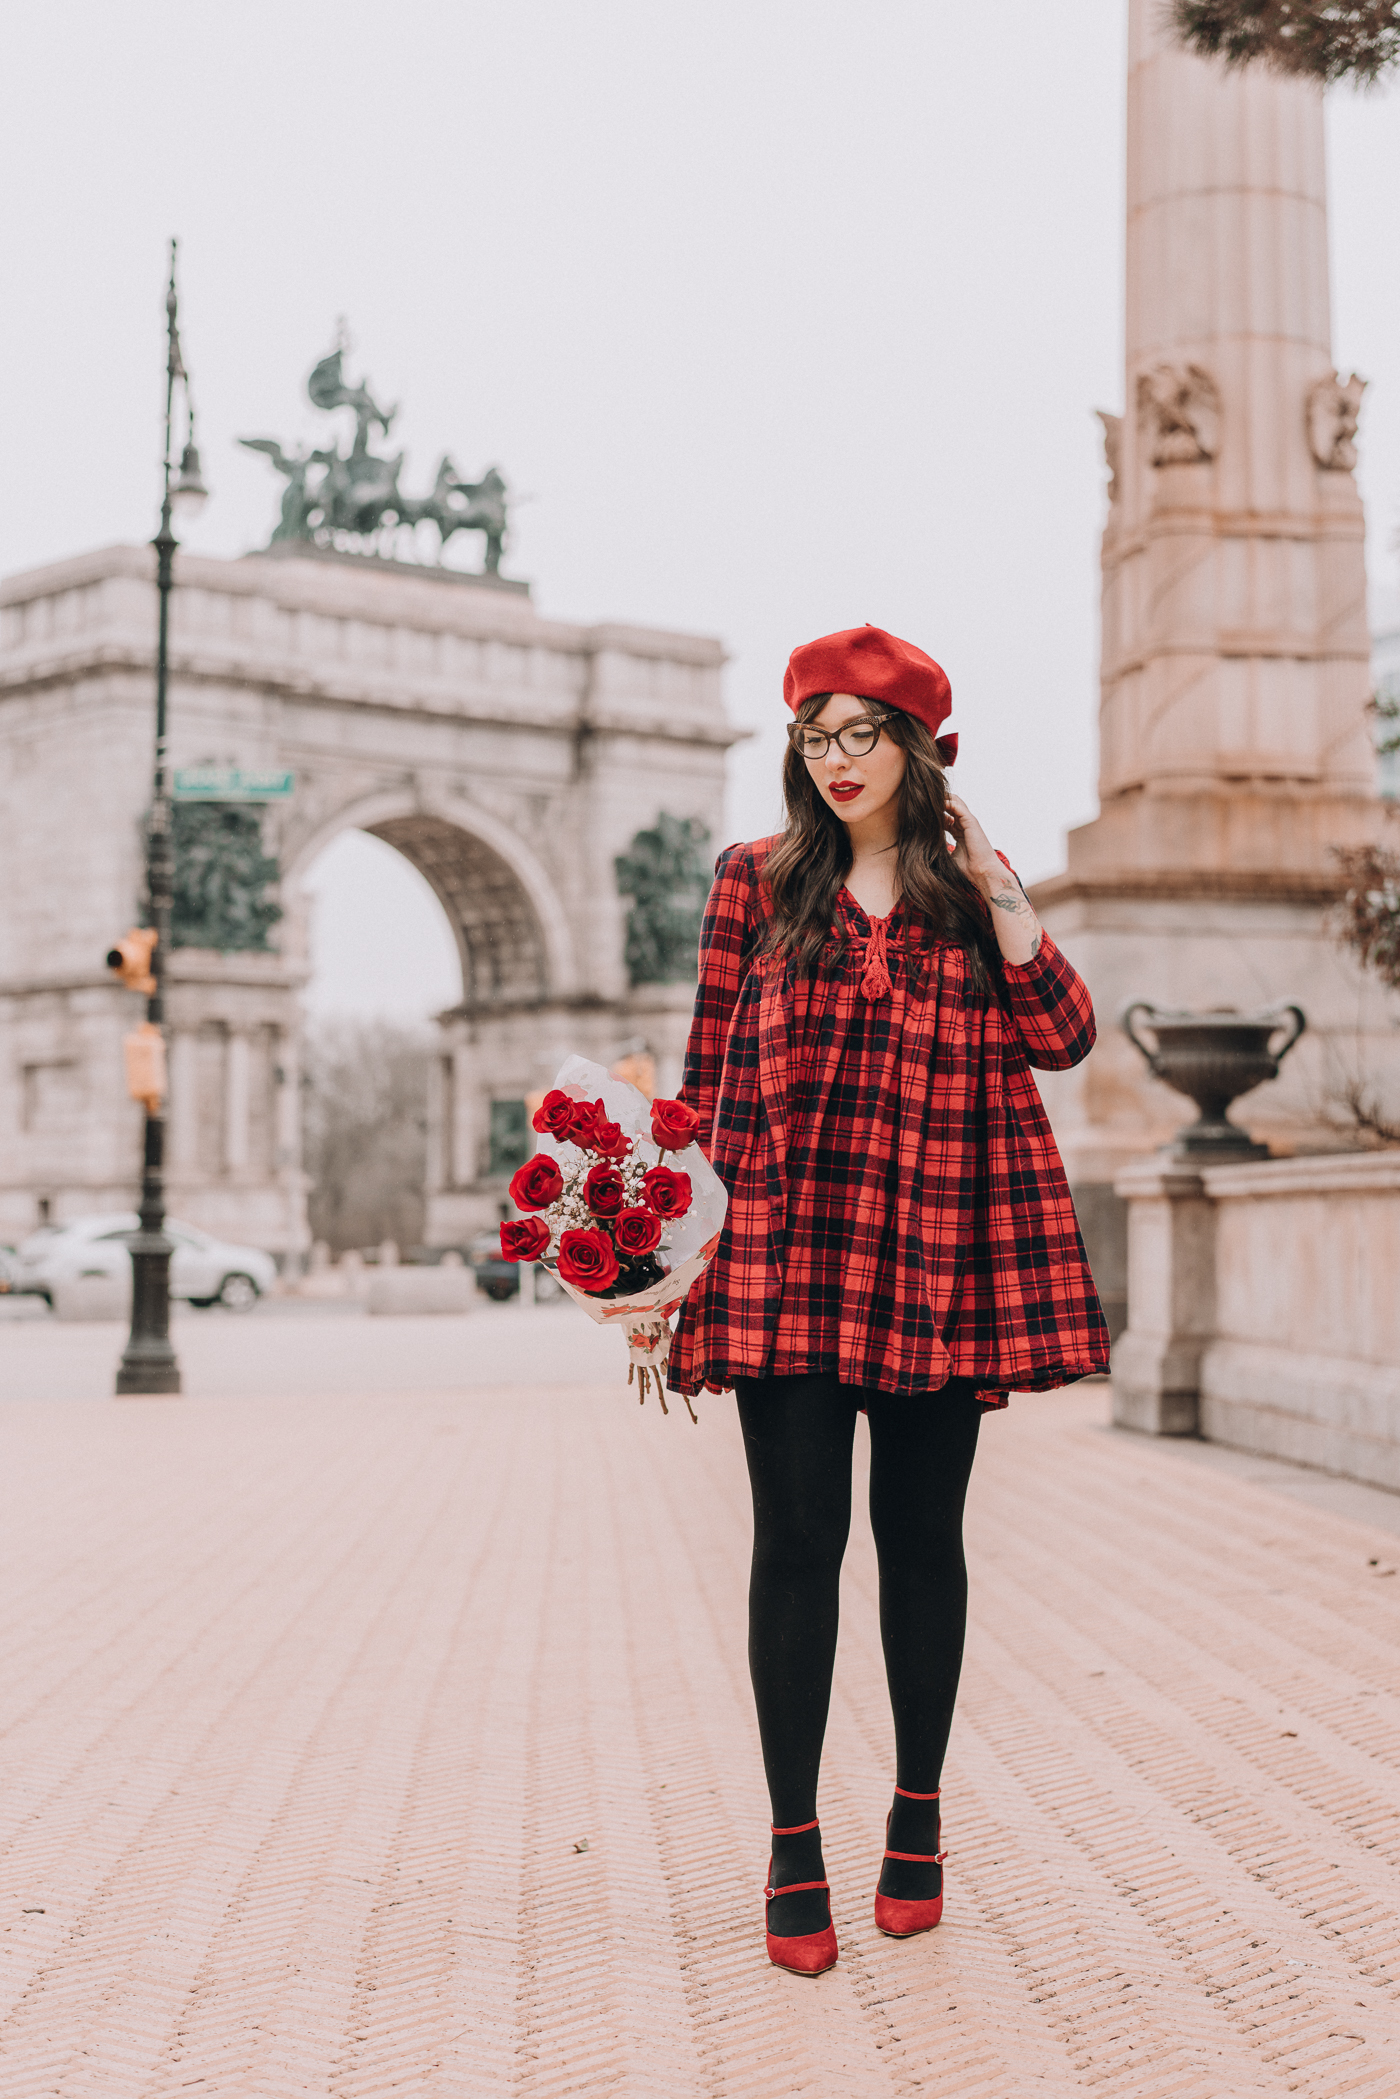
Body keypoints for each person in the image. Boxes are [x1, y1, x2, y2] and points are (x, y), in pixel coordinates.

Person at [667, 624, 1109, 1977]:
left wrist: (1008, 891)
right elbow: (698, 1076)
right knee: (795, 1544)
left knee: (923, 1540)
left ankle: (916, 1814)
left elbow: (1066, 1037)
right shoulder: (755, 883)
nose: (836, 758)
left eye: (863, 732)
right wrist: (649, 1246)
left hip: (938, 1254)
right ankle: (793, 1840)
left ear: (920, 751)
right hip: (788, 1256)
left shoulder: (970, 892)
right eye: (814, 732)